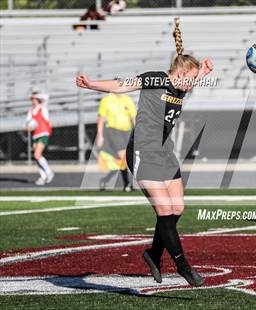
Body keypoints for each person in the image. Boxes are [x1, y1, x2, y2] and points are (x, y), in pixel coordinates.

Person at [76, 17, 213, 286]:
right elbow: (122, 84)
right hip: (142, 151)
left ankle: (153, 253)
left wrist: (204, 73)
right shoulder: (156, 79)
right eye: (193, 79)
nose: (194, 84)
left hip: (165, 152)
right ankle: (183, 266)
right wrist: (92, 84)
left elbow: (191, 82)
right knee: (164, 210)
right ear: (182, 73)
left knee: (177, 208)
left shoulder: (181, 86)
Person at [97, 92, 136, 191]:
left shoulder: (127, 99)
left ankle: (105, 180)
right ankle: (127, 184)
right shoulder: (107, 100)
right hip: (113, 131)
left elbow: (133, 118)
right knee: (123, 156)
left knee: (123, 160)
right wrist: (100, 136)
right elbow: (101, 119)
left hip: (127, 132)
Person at [25, 92, 54, 186]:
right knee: (36, 156)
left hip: (43, 133)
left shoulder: (43, 108)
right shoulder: (30, 111)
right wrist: (28, 127)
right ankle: (43, 176)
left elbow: (46, 97)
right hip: (35, 135)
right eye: (32, 99)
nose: (32, 100)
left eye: (34, 99)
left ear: (37, 99)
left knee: (37, 155)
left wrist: (35, 94)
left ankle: (49, 172)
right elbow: (28, 123)